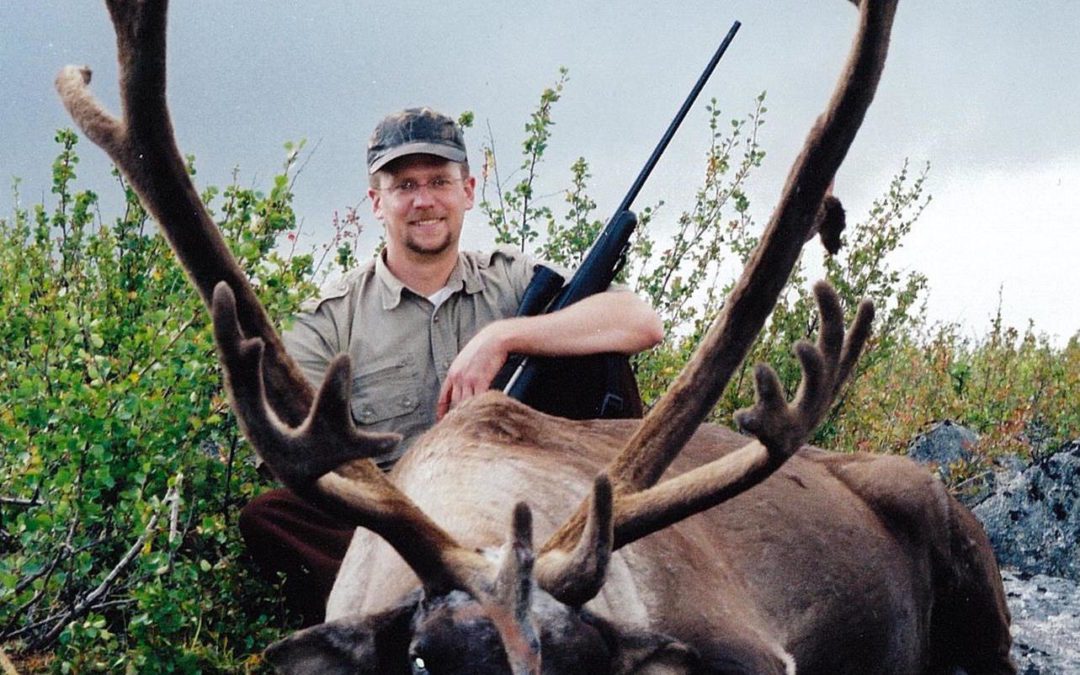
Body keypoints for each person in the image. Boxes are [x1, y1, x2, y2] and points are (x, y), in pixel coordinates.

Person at [239, 107, 663, 624]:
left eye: (439, 180)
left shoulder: (514, 281)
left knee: (596, 358)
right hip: (403, 532)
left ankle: (438, 609)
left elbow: (639, 322)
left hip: (529, 507)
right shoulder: (333, 318)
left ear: (468, 190)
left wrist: (503, 335)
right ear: (377, 201)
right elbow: (285, 439)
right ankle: (402, 614)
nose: (424, 200)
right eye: (404, 185)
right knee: (271, 516)